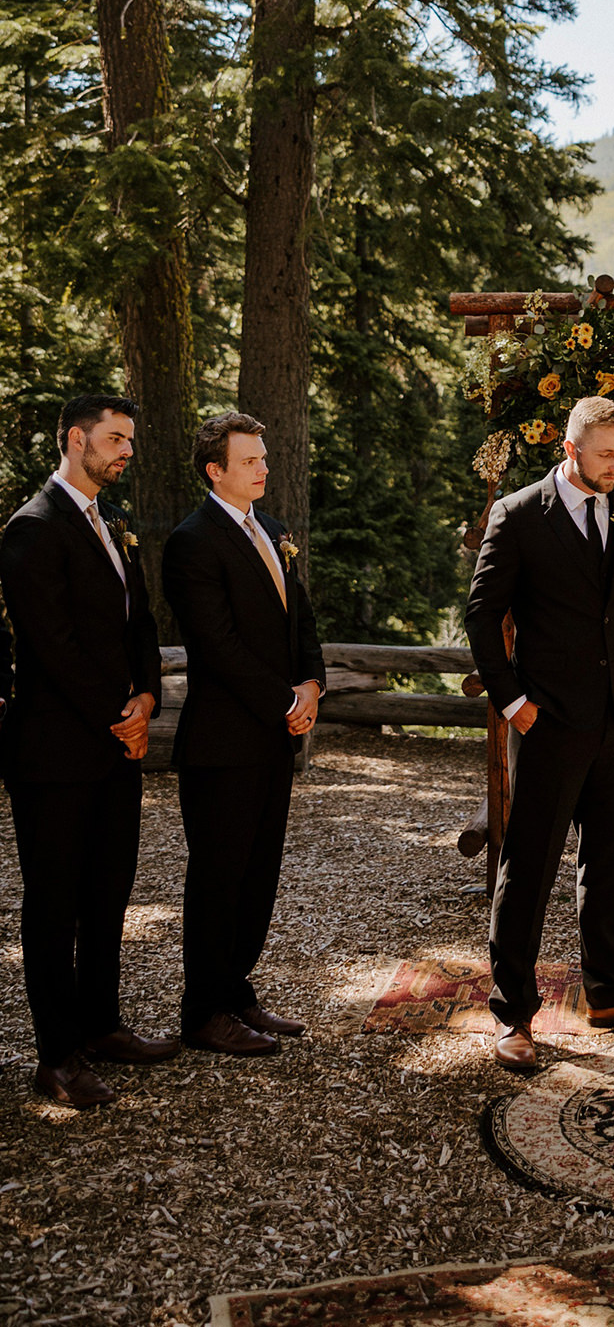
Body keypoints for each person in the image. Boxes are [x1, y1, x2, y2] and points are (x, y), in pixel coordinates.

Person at [466, 395, 614, 1073]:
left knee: (608, 864)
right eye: (605, 454)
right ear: (570, 450)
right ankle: (513, 1014)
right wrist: (512, 700)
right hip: (546, 720)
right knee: (530, 868)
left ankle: (611, 993)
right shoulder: (518, 515)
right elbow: (482, 614)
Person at [0, 395, 173, 1108]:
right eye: (114, 439)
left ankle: (103, 1027)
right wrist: (117, 714)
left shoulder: (114, 525)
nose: (125, 450)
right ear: (75, 440)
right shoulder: (32, 528)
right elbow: (52, 646)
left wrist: (149, 699)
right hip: (54, 751)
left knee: (109, 893)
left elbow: (140, 624)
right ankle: (57, 1056)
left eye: (129, 438)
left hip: (114, 746)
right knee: (55, 904)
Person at [163, 412, 325, 1056]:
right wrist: (283, 698)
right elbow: (217, 644)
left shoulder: (275, 531)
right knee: (219, 876)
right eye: (251, 460)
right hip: (223, 742)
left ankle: (235, 991)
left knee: (258, 874)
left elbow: (302, 620)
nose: (264, 467)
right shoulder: (192, 541)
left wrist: (311, 684)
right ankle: (202, 1011)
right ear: (215, 471)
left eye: (263, 456)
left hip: (272, 736)